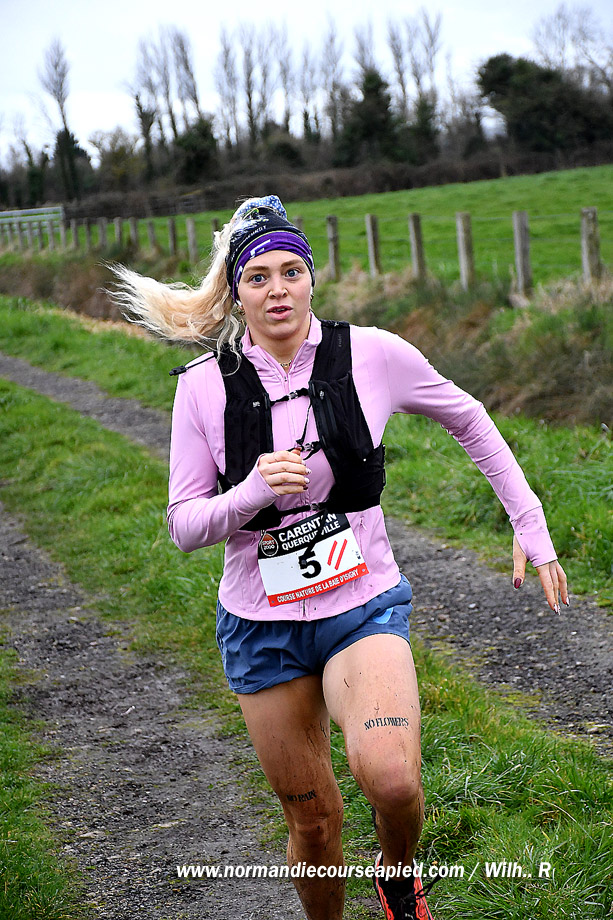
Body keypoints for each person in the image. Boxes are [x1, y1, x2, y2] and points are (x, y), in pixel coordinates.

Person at [111, 195, 568, 920]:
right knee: (315, 824)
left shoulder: (373, 355)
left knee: (391, 780)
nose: (278, 290)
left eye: (291, 272)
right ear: (236, 292)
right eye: (258, 277)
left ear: (312, 279)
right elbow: (184, 526)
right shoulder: (202, 387)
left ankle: (398, 878)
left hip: (361, 603)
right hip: (261, 623)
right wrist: (249, 493)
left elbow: (470, 418)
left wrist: (529, 524)